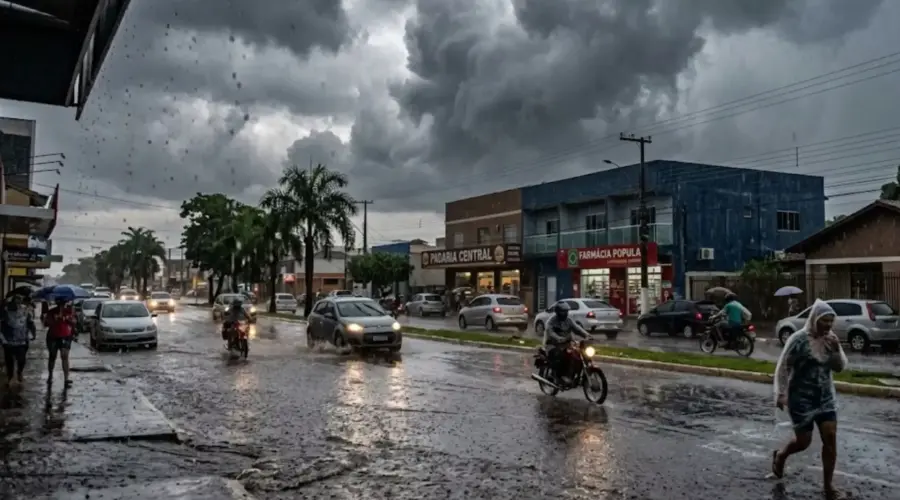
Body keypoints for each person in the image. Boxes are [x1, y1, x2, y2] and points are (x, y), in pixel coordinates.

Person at [772, 299, 847, 496]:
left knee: (830, 437)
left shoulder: (831, 340)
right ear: (814, 319)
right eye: (824, 320)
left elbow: (839, 368)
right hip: (801, 399)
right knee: (803, 442)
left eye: (831, 321)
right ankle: (781, 455)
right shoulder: (798, 340)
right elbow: (784, 367)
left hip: (825, 398)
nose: (828, 325)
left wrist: (836, 350)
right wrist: (781, 393)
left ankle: (828, 487)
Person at [544, 302, 591, 385]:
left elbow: (577, 329)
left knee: (578, 354)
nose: (565, 313)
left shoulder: (568, 320)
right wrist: (560, 339)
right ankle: (554, 375)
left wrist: (587, 335)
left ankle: (573, 374)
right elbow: (551, 333)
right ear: (558, 312)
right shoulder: (550, 322)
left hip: (566, 344)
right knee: (559, 355)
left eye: (566, 311)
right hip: (552, 345)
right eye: (563, 311)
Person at [1, 294, 37, 388]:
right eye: (15, 302)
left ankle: (19, 372)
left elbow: (30, 322)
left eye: (19, 302)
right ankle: (10, 377)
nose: (17, 304)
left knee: (21, 359)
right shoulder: (5, 311)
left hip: (22, 340)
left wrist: (33, 333)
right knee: (9, 360)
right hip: (8, 340)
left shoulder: (25, 310)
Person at [45, 297, 75, 387]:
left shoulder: (69, 311)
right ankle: (50, 375)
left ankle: (66, 379)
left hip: (65, 336)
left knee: (65, 356)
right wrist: (54, 319)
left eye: (63, 303)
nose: (61, 305)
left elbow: (74, 322)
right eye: (60, 303)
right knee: (52, 356)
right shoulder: (51, 312)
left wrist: (66, 318)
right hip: (53, 336)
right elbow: (46, 323)